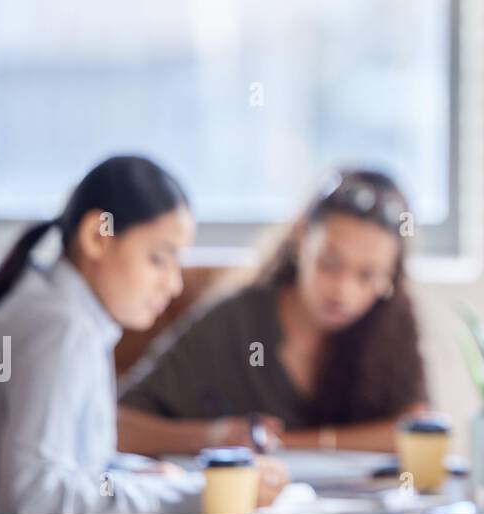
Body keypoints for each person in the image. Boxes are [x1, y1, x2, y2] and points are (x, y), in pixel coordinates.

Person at [0, 155, 285, 513]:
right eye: (158, 258)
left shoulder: (69, 311)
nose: (173, 284)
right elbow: (35, 499)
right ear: (97, 237)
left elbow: (72, 466)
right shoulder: (60, 327)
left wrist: (139, 478)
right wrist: (201, 496)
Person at [117, 169, 430, 455]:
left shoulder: (392, 322)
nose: (343, 291)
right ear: (302, 237)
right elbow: (117, 425)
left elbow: (421, 431)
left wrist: (282, 445)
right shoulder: (234, 323)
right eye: (330, 264)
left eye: (368, 276)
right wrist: (214, 437)